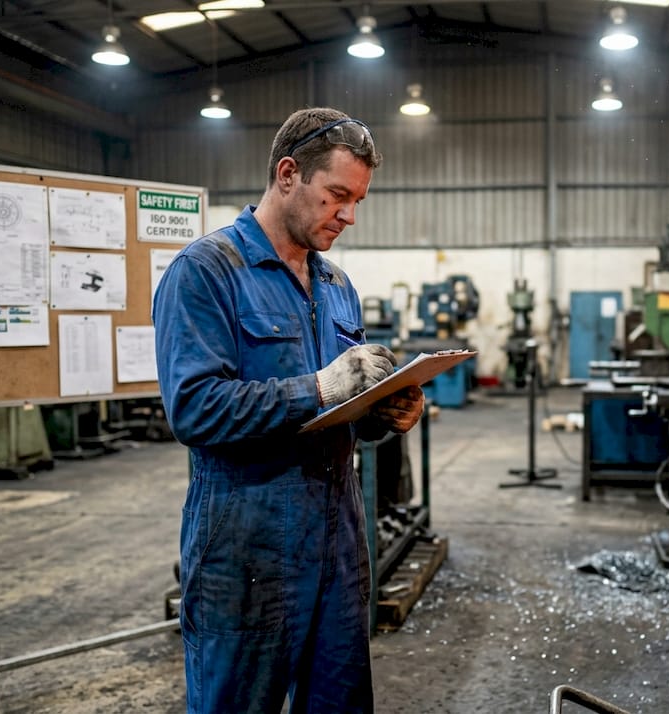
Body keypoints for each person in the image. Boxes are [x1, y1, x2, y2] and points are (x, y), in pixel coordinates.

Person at [152, 107, 425, 713]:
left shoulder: (336, 285)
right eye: (336, 196)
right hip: (245, 545)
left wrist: (383, 413)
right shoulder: (206, 273)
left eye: (357, 200)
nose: (349, 216)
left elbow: (346, 400)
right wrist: (321, 389)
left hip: (338, 537)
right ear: (286, 175)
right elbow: (194, 409)